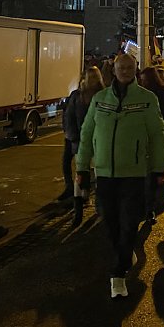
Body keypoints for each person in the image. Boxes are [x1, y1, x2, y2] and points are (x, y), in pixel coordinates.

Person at [75, 54, 164, 299]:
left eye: (129, 67)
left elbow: (158, 136)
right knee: (110, 221)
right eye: (121, 67)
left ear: (135, 70)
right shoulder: (100, 99)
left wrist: (159, 168)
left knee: (128, 223)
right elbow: (86, 134)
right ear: (113, 70)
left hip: (134, 173)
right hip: (104, 173)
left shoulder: (147, 100)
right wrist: (82, 167)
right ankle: (125, 253)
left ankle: (118, 273)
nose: (125, 71)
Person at [60, 67, 105, 226]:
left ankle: (81, 208)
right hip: (93, 143)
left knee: (85, 174)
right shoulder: (102, 95)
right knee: (96, 175)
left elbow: (69, 119)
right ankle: (91, 207)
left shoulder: (82, 96)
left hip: (85, 143)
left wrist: (73, 139)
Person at [139, 67, 164, 223]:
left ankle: (150, 207)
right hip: (143, 137)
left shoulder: (159, 92)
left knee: (152, 174)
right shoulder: (141, 92)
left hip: (155, 135)